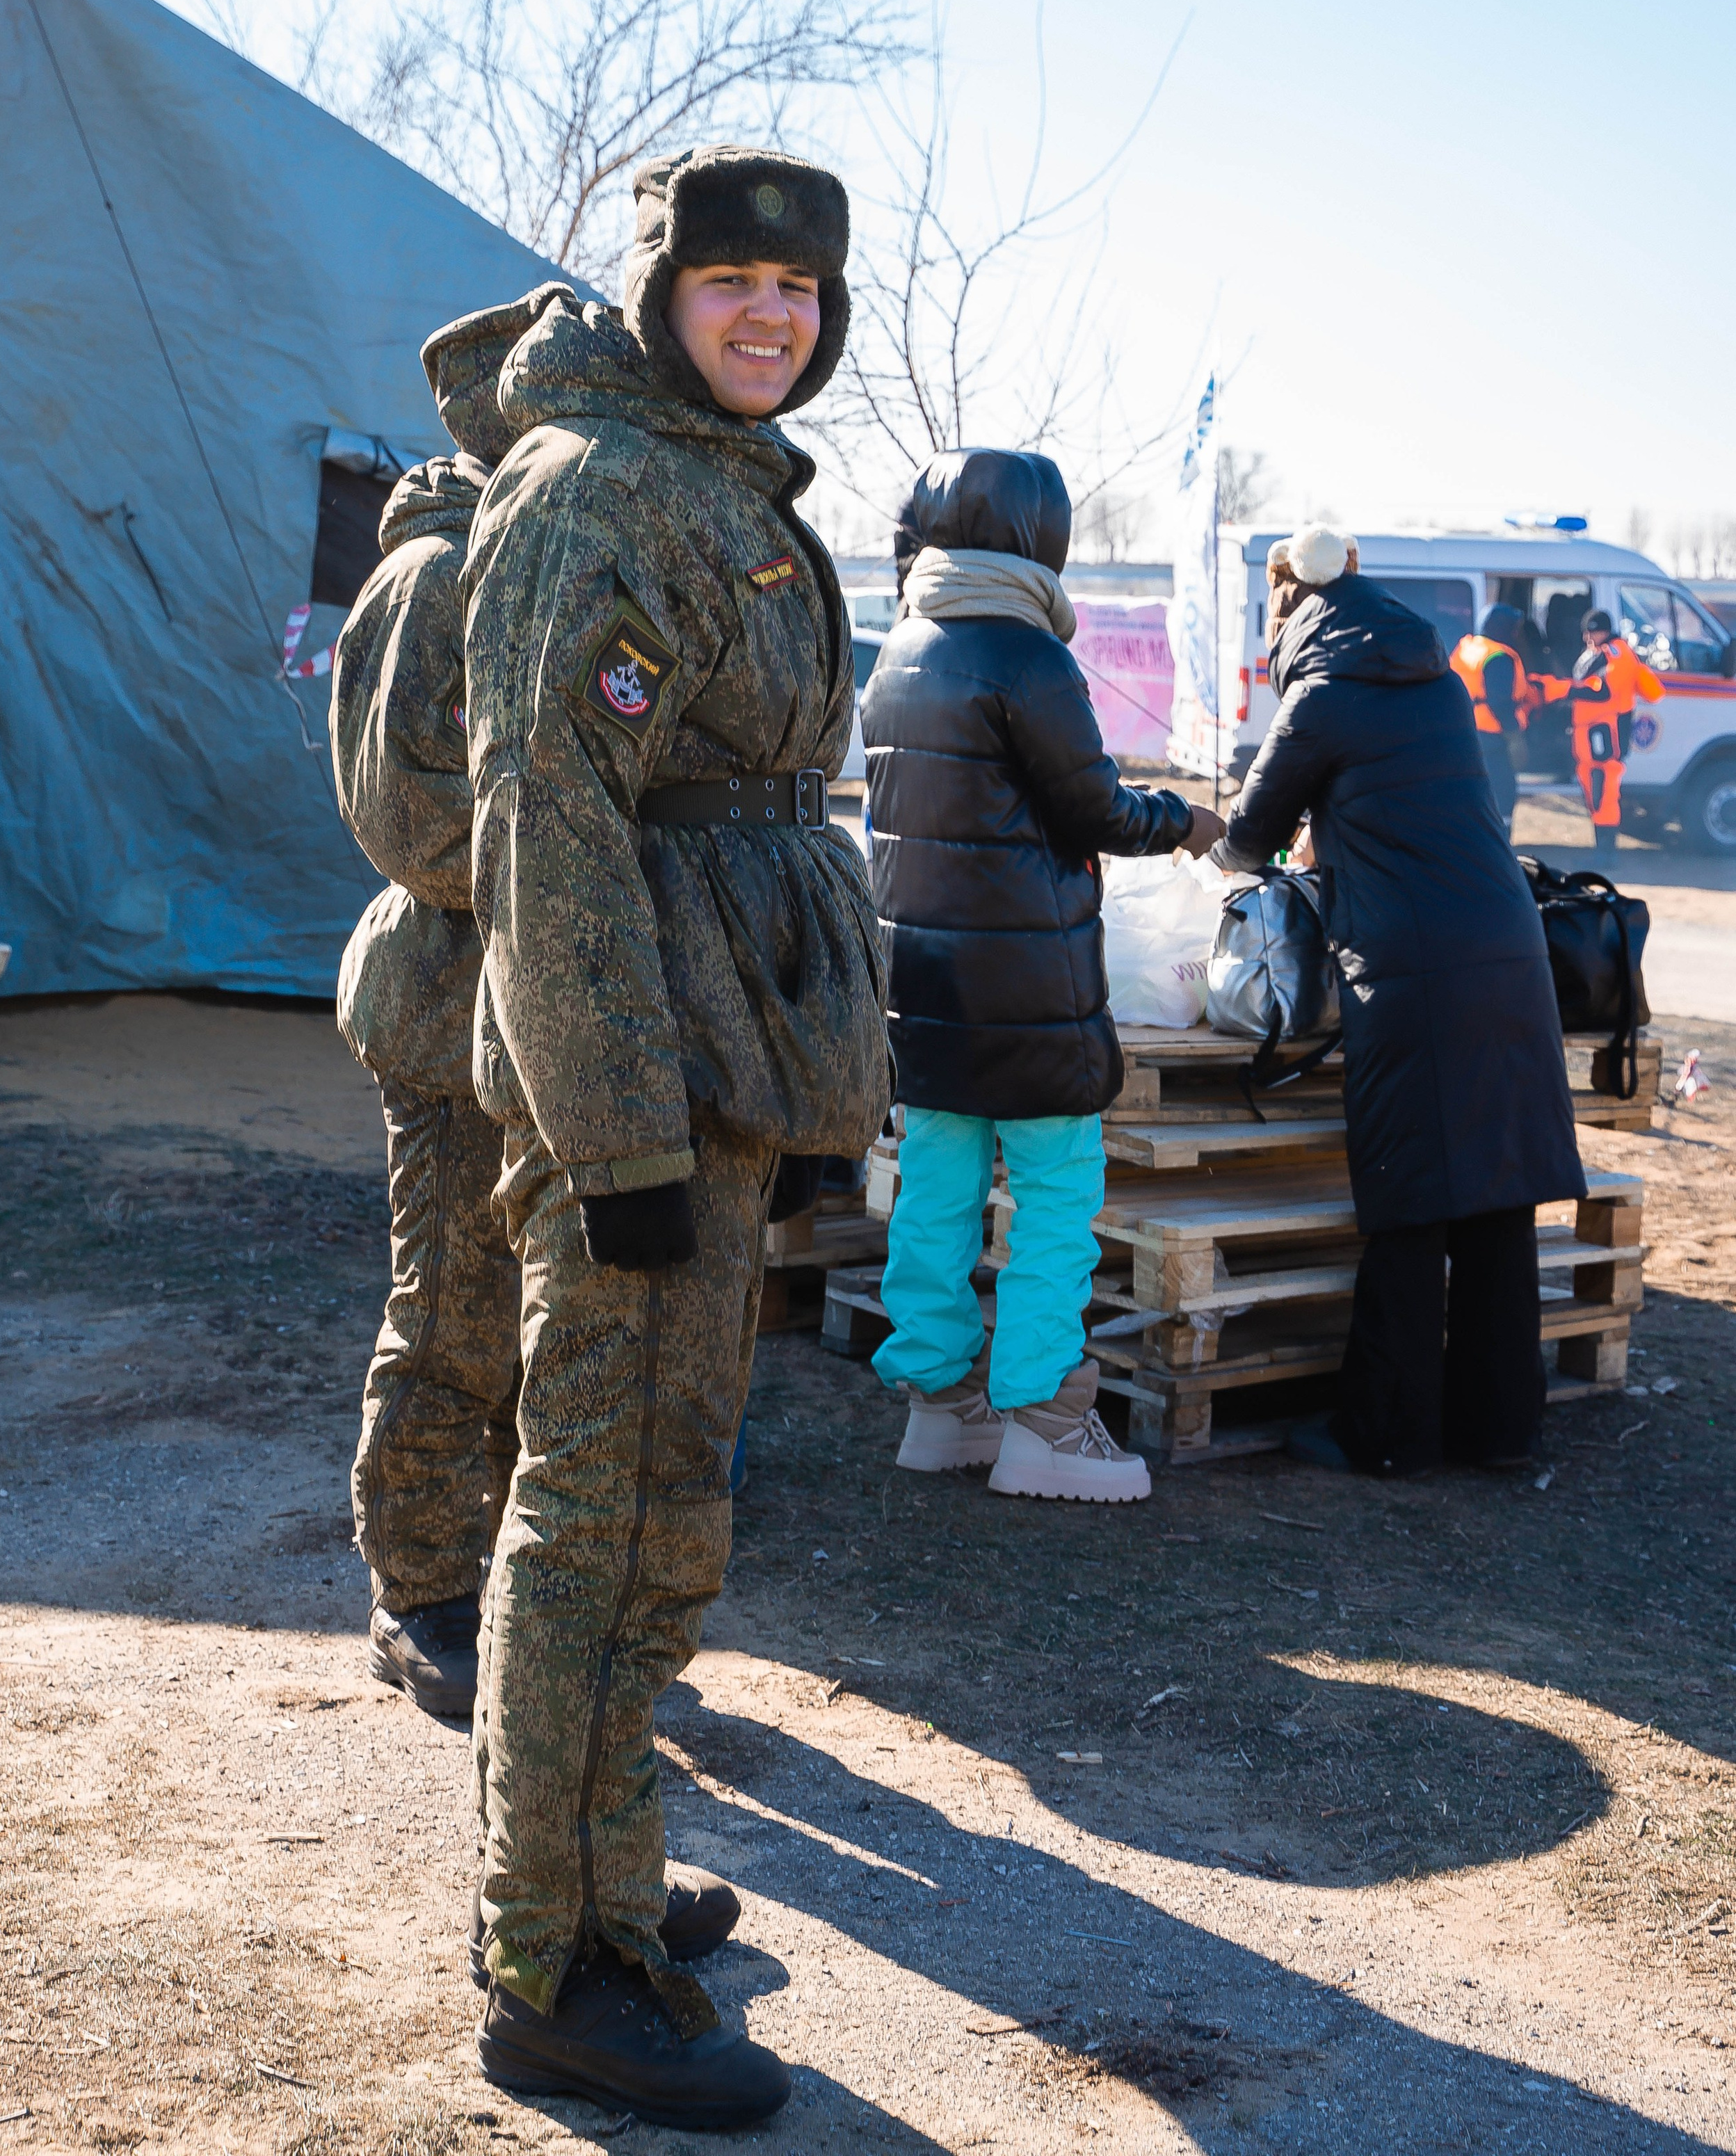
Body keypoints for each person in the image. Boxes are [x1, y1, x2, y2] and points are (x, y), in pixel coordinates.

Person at [460, 147, 889, 2127]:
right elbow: (549, 830)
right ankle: (558, 1967)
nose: (768, 320)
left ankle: (603, 1866)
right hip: (637, 1102)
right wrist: (624, 1145)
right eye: (729, 285)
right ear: (660, 298)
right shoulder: (608, 491)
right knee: (602, 1525)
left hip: (712, 1080)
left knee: (667, 1517)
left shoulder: (712, 481)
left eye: (796, 295)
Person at [858, 448, 1224, 1504]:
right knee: (1057, 1194)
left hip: (920, 978)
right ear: (1036, 537)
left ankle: (941, 1407)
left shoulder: (899, 653)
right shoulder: (1028, 657)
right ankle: (1046, 1422)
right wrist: (1187, 821)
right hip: (1029, 984)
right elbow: (1095, 811)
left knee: (936, 1188)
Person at [1210, 523, 1586, 1477]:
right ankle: (1500, 1431)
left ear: (1288, 602)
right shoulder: (1435, 677)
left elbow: (1248, 839)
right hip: (1507, 946)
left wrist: (1206, 847)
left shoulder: (1323, 695)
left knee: (1411, 1200)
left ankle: (1388, 1435)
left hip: (1411, 966)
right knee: (1499, 1197)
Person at [332, 295, 542, 1719]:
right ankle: (420, 1591)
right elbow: (405, 817)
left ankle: (529, 1583)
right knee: (454, 1307)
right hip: (445, 1003)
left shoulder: (560, 553)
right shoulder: (435, 570)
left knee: (544, 1320)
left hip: (551, 1014)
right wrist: (580, 863)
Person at [1568, 607, 1663, 852]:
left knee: (1605, 793)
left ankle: (1606, 854)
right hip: (1594, 734)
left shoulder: (1616, 653)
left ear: (1604, 632)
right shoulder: (1600, 652)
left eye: (1591, 633)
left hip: (1607, 735)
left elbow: (1605, 690)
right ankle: (1602, 850)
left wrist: (1565, 690)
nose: (1587, 639)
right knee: (1596, 793)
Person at [1449, 602, 1539, 832]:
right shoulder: (1498, 656)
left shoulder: (1468, 648)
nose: (1517, 633)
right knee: (1503, 793)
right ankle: (1501, 847)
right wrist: (1515, 738)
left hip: (1464, 732)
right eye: (1513, 627)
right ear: (1501, 627)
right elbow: (1500, 702)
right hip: (1492, 738)